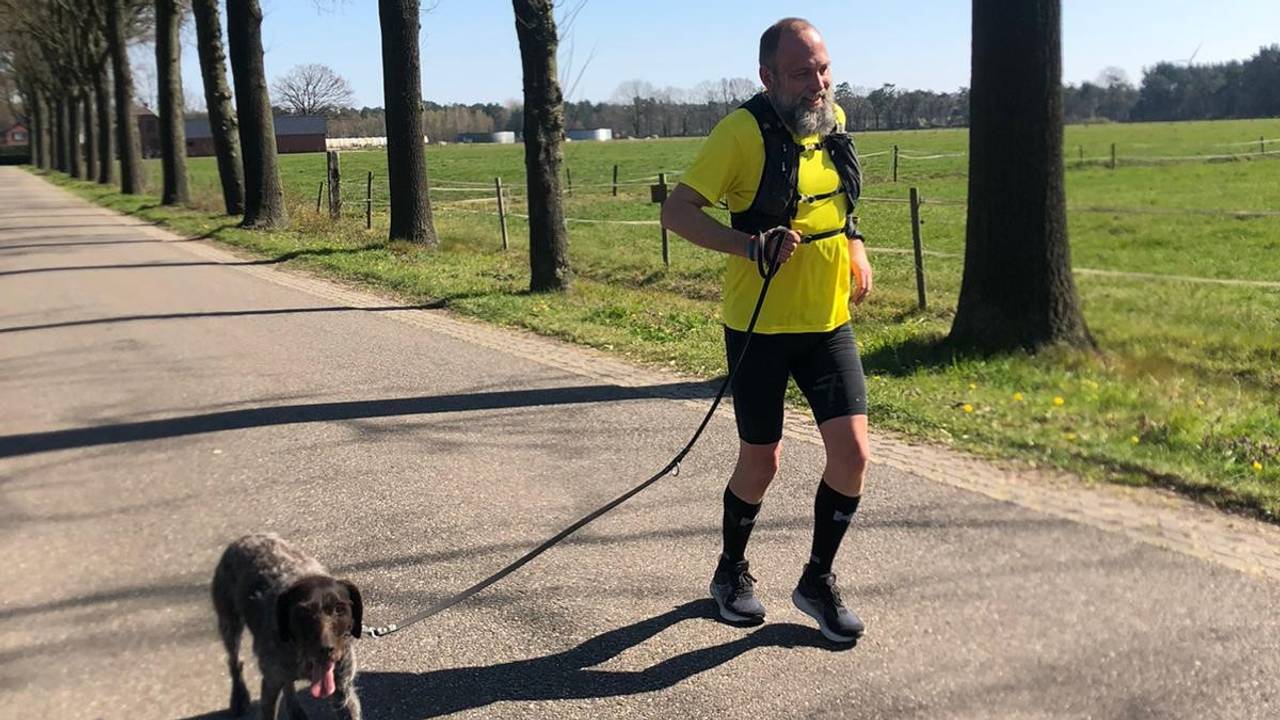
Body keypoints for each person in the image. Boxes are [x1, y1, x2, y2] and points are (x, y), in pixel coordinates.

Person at [660, 17, 873, 643]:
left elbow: (839, 202)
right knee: (762, 460)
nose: (819, 83)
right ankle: (731, 572)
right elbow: (678, 211)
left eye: (825, 69)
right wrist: (747, 245)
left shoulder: (831, 121)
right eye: (804, 72)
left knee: (853, 456)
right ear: (768, 75)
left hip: (828, 322)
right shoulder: (740, 133)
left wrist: (854, 244)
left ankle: (816, 580)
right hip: (761, 328)